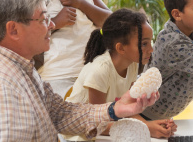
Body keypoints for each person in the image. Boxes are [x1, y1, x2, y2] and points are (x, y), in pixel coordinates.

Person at [0, 0, 158, 141]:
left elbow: (61, 113)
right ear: (13, 30)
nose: (51, 25)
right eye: (44, 19)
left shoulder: (21, 67)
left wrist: (115, 109)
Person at [62, 8, 177, 141]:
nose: (151, 49)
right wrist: (147, 127)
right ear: (121, 48)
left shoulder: (132, 64)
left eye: (150, 42)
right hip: (77, 135)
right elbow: (97, 123)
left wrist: (150, 125)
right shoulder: (100, 71)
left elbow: (129, 109)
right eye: (144, 44)